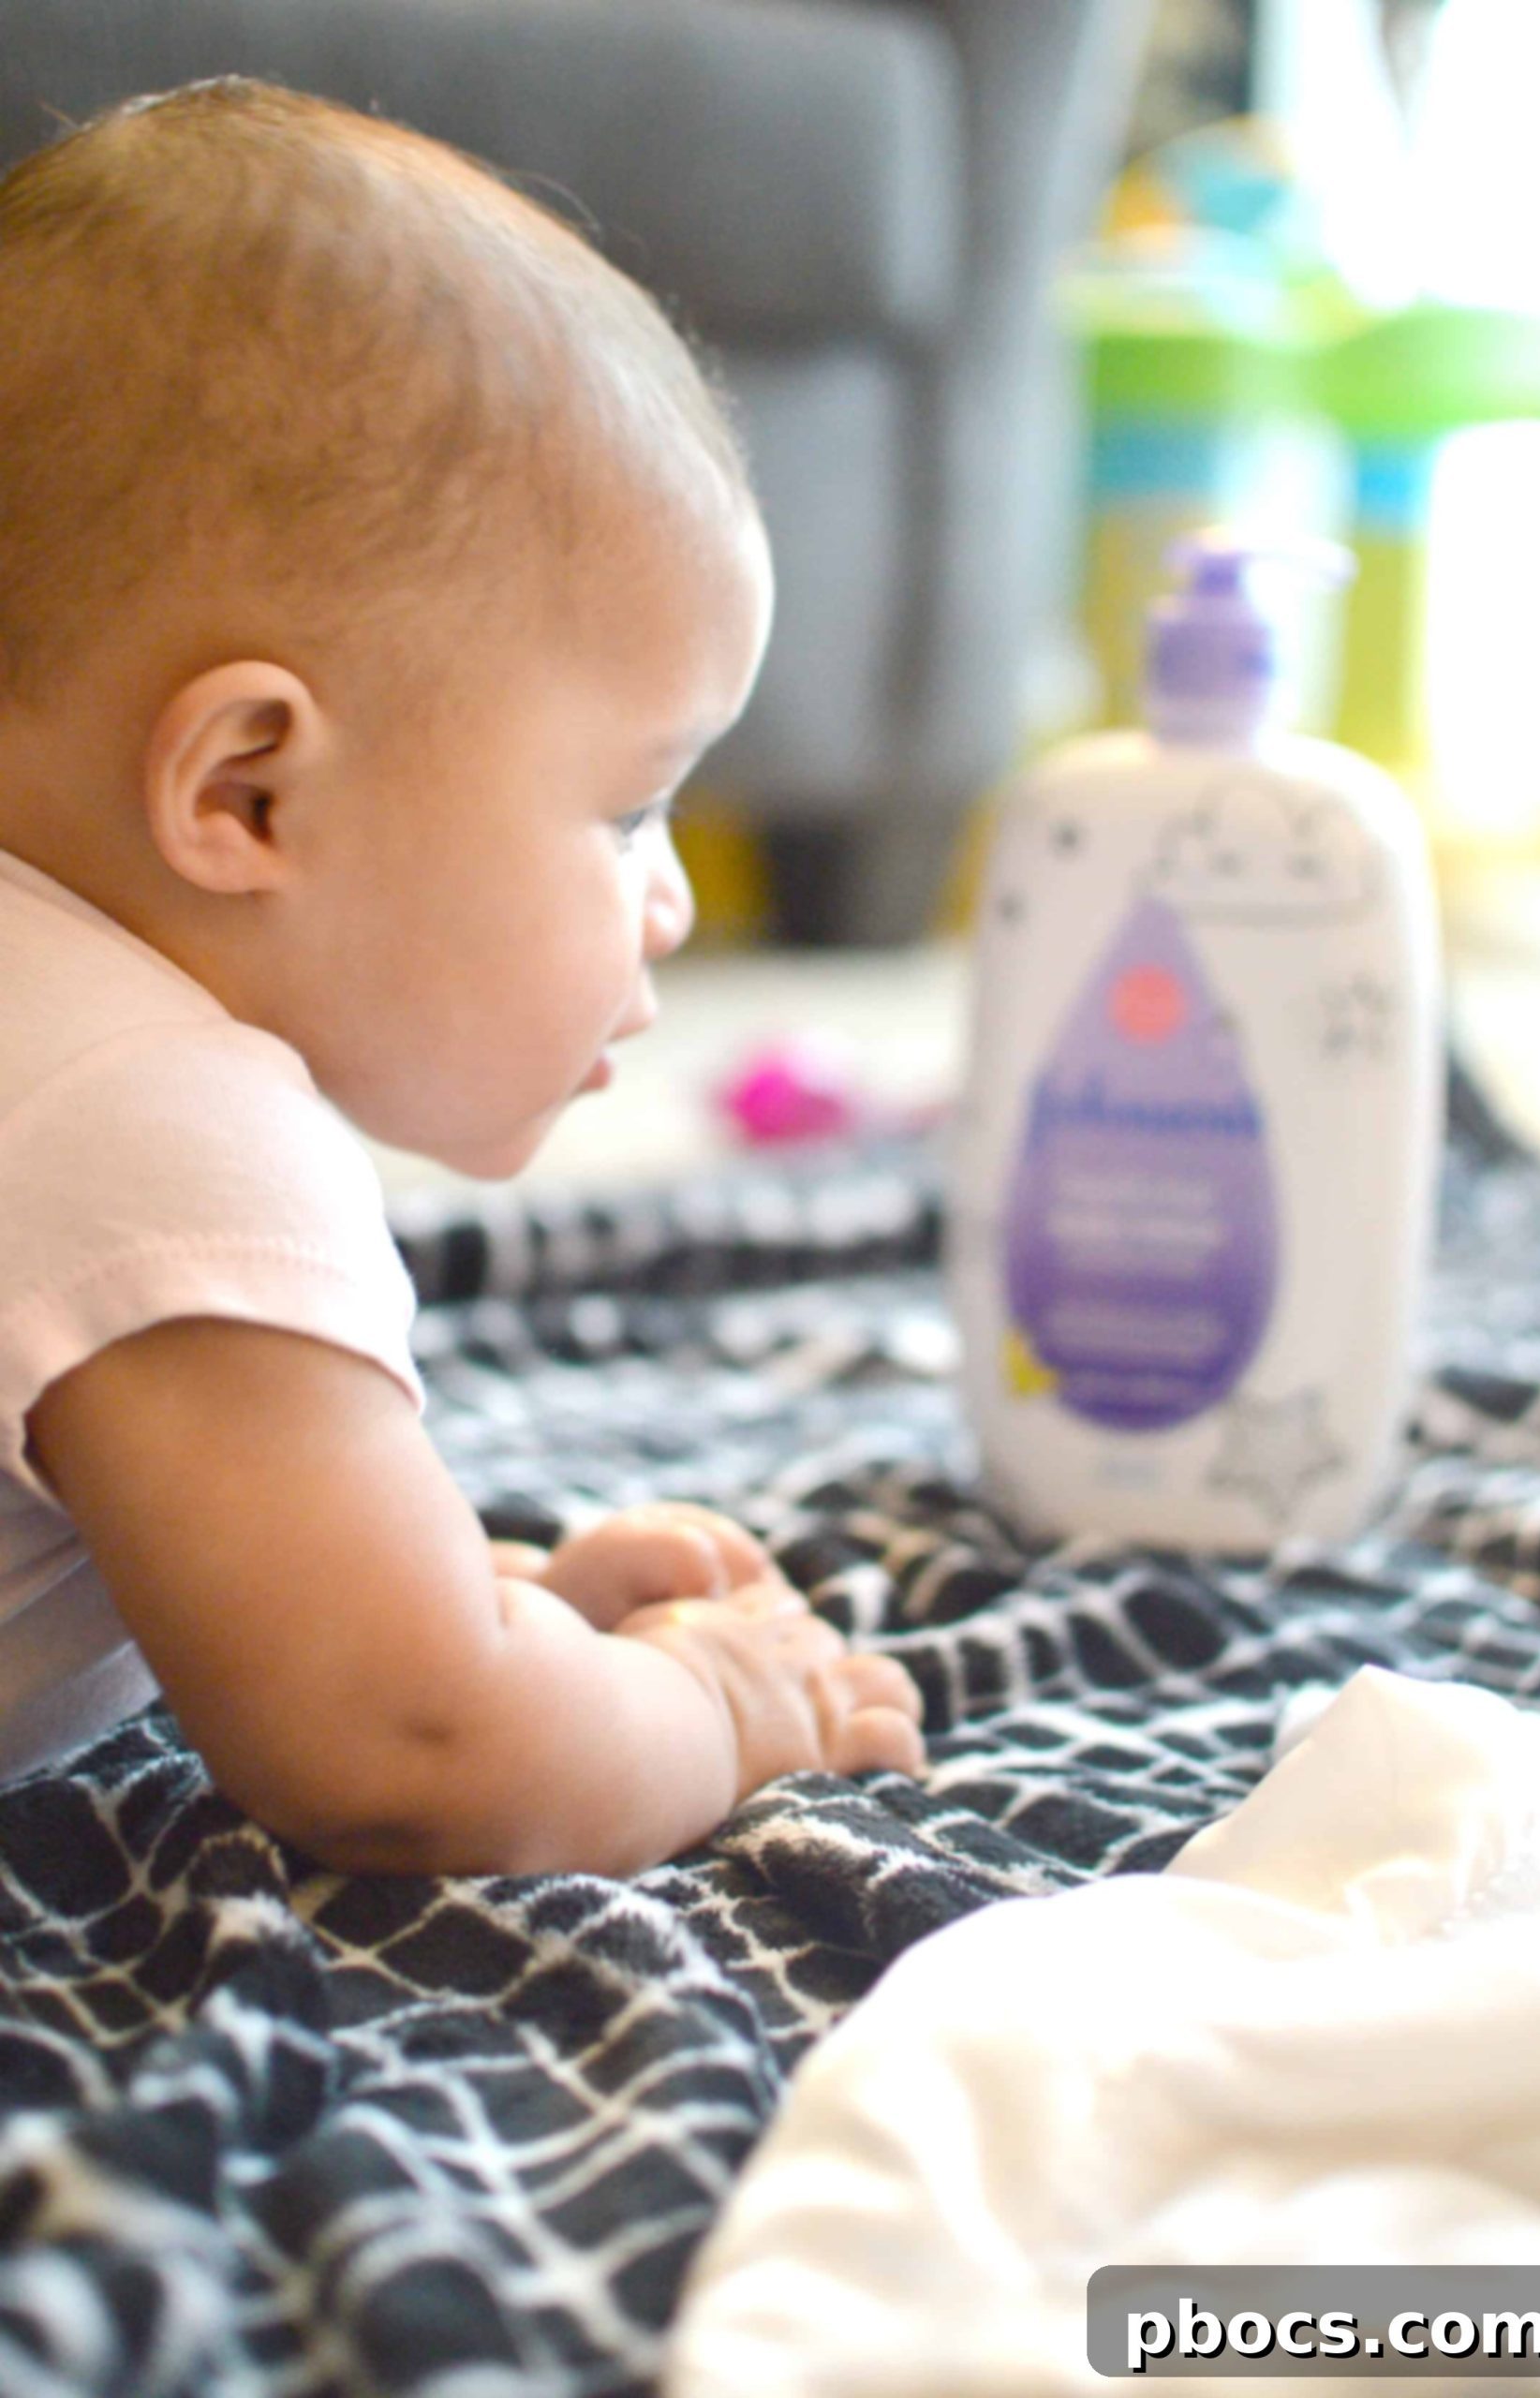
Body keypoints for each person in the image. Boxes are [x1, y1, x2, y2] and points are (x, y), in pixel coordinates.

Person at [0, 79, 925, 1875]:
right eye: (628, 808)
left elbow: (266, 1606)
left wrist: (508, 1619)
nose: (671, 903)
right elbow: (409, 1746)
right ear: (248, 793)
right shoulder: (155, 1119)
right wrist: (715, 1708)